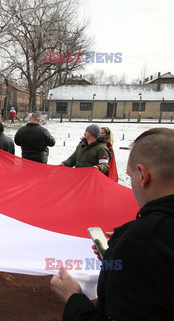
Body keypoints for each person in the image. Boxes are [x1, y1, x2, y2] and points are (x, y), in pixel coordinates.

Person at [51, 128, 174, 321]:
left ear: (142, 175)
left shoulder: (141, 240)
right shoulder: (81, 146)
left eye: (130, 175)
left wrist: (73, 300)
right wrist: (112, 255)